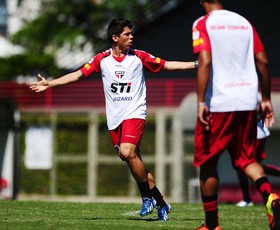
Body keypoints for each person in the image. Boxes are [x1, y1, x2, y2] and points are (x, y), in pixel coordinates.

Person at [29, 18, 197, 221]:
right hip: (115, 118)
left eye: (131, 33)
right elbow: (78, 75)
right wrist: (50, 84)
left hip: (134, 112)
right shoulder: (102, 59)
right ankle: (161, 203)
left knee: (128, 152)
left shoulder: (139, 57)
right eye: (127, 34)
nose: (132, 37)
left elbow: (168, 65)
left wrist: (197, 63)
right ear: (115, 38)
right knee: (134, 163)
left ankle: (146, 197)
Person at [192, 0, 280, 229]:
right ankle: (269, 195)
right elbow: (263, 61)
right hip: (247, 101)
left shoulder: (202, 23)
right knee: (247, 160)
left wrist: (201, 101)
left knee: (208, 162)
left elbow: (205, 61)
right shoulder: (244, 22)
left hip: (219, 103)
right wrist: (266, 98)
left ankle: (211, 225)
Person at [236, 113, 280, 207]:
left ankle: (248, 199)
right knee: (246, 166)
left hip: (253, 134)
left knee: (247, 165)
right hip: (254, 132)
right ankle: (247, 199)